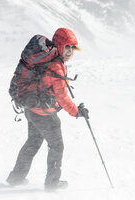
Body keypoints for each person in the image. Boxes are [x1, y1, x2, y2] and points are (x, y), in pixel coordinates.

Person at [6, 28, 89, 190]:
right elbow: (62, 97)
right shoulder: (56, 66)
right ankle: (52, 183)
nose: (70, 51)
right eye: (67, 47)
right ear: (59, 45)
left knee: (32, 143)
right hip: (44, 114)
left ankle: (16, 178)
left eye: (73, 48)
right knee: (57, 146)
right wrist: (77, 112)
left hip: (31, 108)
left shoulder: (47, 61)